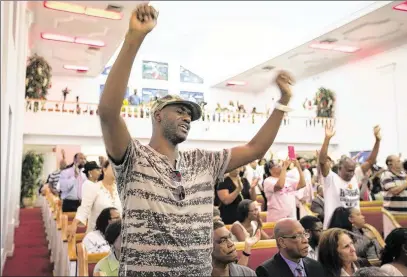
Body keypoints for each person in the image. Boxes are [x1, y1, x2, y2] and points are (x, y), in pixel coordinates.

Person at [98, 4, 296, 276]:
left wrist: (283, 103)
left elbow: (255, 148)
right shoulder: (134, 158)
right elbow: (108, 113)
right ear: (157, 115)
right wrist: (134, 39)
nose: (187, 117)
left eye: (190, 115)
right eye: (179, 110)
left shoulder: (203, 161)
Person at [318, 123, 381, 229]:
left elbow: (370, 161)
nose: (351, 174)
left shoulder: (355, 175)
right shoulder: (331, 178)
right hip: (335, 227)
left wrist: (377, 141)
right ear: (340, 168)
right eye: (348, 171)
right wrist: (327, 139)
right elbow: (322, 161)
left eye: (352, 170)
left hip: (354, 226)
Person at [68, 161, 122, 238]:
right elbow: (84, 208)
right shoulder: (94, 187)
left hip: (117, 236)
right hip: (97, 237)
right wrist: (74, 223)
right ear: (104, 170)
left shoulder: (121, 189)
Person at [256, 218, 325, 277]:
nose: (305, 240)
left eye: (305, 234)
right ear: (282, 242)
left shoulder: (316, 266)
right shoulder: (266, 272)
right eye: (298, 236)